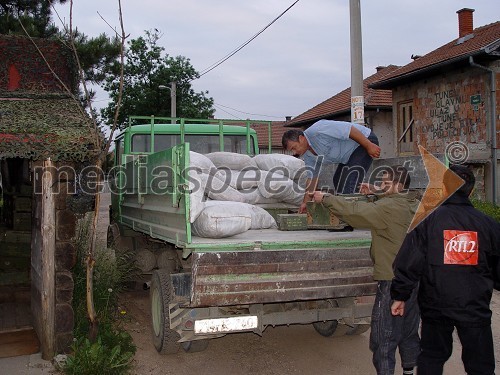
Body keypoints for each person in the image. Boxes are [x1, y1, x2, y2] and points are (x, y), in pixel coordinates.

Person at [391, 164, 500, 375]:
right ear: (471, 191)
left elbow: (408, 262)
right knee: (481, 365)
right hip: (474, 306)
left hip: (436, 305)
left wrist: (400, 296)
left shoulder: (426, 221)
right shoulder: (489, 224)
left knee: (432, 358)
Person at [311, 166, 420, 375]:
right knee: (409, 330)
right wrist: (374, 193)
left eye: (385, 182)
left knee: (384, 335)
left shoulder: (389, 207)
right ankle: (408, 370)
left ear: (397, 185)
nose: (381, 186)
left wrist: (326, 198)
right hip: (414, 280)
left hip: (392, 281)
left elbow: (354, 213)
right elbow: (385, 205)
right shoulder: (413, 203)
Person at [282, 119, 380, 213]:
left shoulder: (318, 129)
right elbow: (312, 180)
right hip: (349, 155)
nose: (295, 152)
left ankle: (347, 219)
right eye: (292, 151)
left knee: (348, 181)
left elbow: (349, 130)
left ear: (301, 138)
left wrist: (368, 145)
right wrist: (305, 203)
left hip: (364, 141)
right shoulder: (308, 155)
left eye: (294, 148)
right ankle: (364, 207)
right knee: (337, 179)